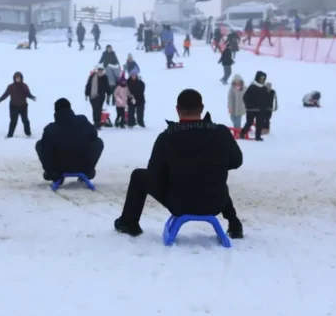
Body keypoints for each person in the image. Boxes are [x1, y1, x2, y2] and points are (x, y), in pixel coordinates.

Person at [113, 89, 244, 238]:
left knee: (138, 176)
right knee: (211, 176)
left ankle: (128, 223)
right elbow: (236, 161)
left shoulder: (166, 138)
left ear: (177, 110)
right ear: (202, 108)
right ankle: (234, 223)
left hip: (179, 203)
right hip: (215, 202)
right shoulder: (221, 133)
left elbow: (154, 175)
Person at [35, 98, 104, 182]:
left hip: (59, 168)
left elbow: (46, 152)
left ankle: (53, 173)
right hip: (83, 165)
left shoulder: (50, 129)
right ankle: (87, 172)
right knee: (98, 142)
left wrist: (50, 171)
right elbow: (94, 135)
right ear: (70, 108)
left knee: (40, 144)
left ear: (55, 111)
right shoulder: (82, 121)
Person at [0, 72, 36, 138]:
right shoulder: (11, 87)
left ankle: (28, 134)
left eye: (19, 78)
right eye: (16, 78)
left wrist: (32, 97)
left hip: (23, 106)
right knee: (13, 121)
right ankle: (10, 135)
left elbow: (28, 94)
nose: (18, 79)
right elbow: (5, 95)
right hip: (13, 106)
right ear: (14, 78)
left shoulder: (25, 86)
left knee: (25, 120)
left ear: (21, 78)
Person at [240, 71, 268, 141]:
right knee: (249, 122)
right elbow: (245, 97)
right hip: (251, 109)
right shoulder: (252, 87)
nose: (262, 80)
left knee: (259, 123)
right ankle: (242, 133)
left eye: (264, 79)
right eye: (261, 78)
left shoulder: (264, 88)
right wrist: (249, 106)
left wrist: (265, 108)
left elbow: (265, 99)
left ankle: (258, 136)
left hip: (260, 110)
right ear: (257, 78)